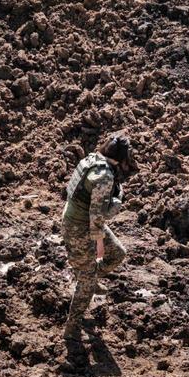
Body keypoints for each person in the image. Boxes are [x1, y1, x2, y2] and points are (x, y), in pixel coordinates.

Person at [61, 132, 133, 341]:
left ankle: (91, 277)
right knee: (87, 281)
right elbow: (97, 214)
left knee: (118, 253)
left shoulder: (93, 158)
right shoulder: (104, 176)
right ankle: (72, 327)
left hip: (82, 220)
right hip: (79, 227)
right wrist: (99, 242)